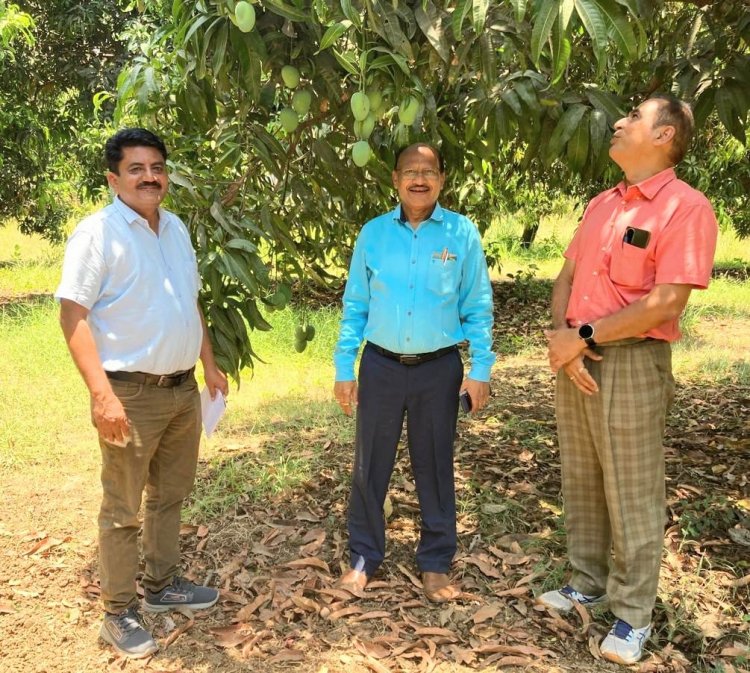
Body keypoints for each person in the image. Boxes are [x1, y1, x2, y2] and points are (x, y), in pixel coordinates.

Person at [540, 95, 718, 664]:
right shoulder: (601, 205)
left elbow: (664, 303)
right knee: (584, 476)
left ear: (665, 134)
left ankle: (633, 613)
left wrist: (584, 337)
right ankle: (586, 580)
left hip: (631, 359)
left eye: (634, 117)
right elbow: (566, 277)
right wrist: (562, 342)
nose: (618, 122)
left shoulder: (685, 208)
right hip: (577, 356)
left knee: (632, 487)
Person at [56, 128, 229, 659]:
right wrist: (101, 395)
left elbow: (187, 302)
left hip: (180, 391)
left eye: (156, 167)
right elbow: (72, 315)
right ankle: (117, 611)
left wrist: (209, 364)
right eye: (136, 168)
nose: (149, 177)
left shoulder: (174, 228)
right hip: (129, 394)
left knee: (169, 496)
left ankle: (161, 585)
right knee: (123, 508)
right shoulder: (98, 233)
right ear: (114, 178)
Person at [333, 143, 495, 603]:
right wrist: (345, 367)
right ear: (395, 179)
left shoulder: (461, 234)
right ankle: (364, 558)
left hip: (438, 369)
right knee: (370, 465)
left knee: (436, 465)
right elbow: (355, 306)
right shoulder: (373, 234)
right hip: (381, 365)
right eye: (410, 171)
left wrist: (480, 368)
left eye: (428, 171)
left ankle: (436, 562)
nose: (419, 179)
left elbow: (478, 306)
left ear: (442, 179)